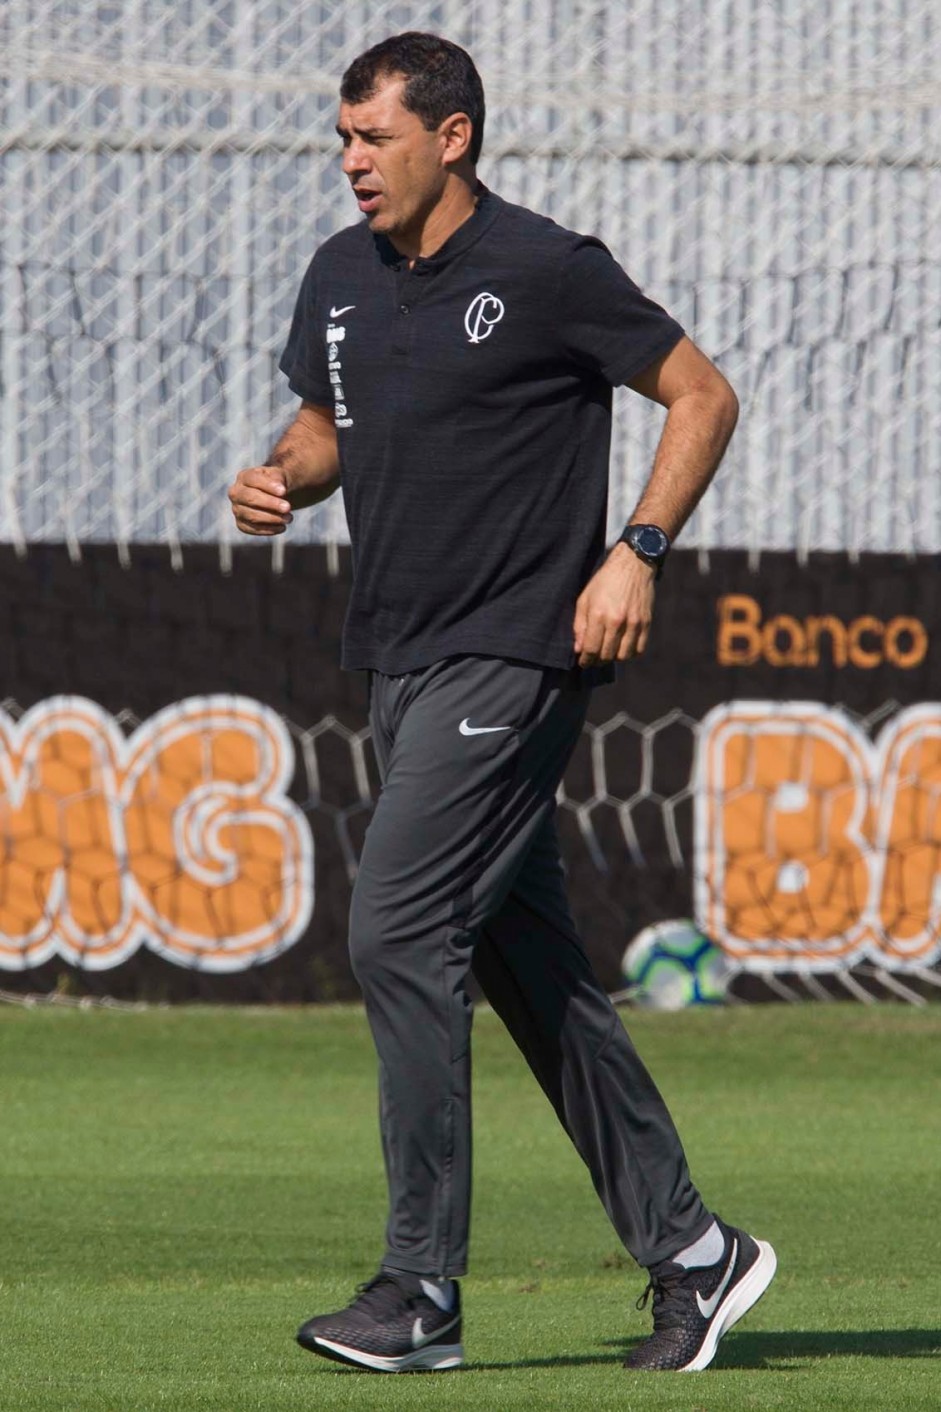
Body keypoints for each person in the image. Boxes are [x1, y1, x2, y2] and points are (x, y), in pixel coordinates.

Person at [228, 31, 776, 1375]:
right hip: (398, 660)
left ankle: (418, 1291)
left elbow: (700, 394)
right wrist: (280, 478)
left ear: (451, 136)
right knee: (531, 974)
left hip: (514, 657)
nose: (351, 162)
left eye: (374, 137)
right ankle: (693, 1254)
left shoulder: (543, 269)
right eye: (343, 138)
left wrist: (633, 552)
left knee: (395, 932)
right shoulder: (341, 277)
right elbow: (326, 426)